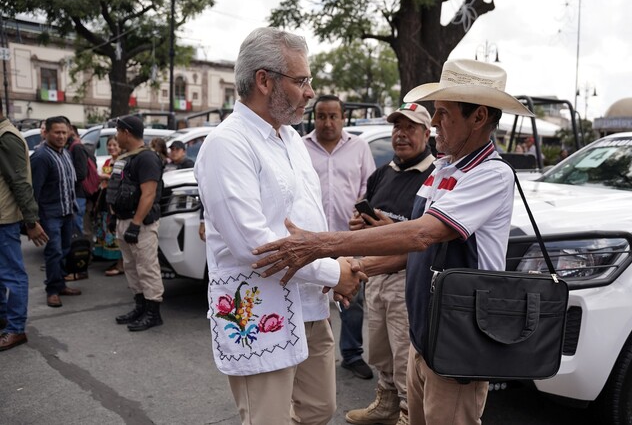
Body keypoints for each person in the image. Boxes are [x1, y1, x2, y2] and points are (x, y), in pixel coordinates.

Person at [251, 59, 535, 425]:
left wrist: (321, 246)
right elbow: (421, 249)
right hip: (427, 333)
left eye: (443, 114)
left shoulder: (490, 174)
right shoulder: (446, 170)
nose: (433, 123)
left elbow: (421, 234)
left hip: (458, 340)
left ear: (479, 117)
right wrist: (355, 269)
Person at [194, 27, 366, 425]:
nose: (310, 91)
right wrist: (333, 271)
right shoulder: (228, 144)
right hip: (259, 306)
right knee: (267, 418)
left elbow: (310, 221)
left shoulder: (289, 138)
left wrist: (332, 273)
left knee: (319, 409)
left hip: (308, 302)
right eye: (301, 80)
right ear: (264, 80)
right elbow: (255, 246)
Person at [345, 102, 435, 425]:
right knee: (380, 349)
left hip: (406, 279)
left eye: (410, 128)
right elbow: (372, 226)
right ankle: (386, 403)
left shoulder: (435, 177)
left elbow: (425, 237)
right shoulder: (382, 174)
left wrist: (387, 231)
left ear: (427, 133)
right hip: (375, 275)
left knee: (403, 353)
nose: (401, 135)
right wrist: (362, 227)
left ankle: (410, 415)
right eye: (397, 127)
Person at [303, 94, 376, 380]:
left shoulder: (359, 147)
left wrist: (363, 214)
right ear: (315, 118)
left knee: (351, 296)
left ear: (343, 118)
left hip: (350, 238)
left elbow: (368, 188)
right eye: (322, 116)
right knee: (312, 292)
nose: (327, 122)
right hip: (312, 239)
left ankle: (351, 354)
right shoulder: (300, 147)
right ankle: (312, 355)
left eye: (333, 116)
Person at [106, 115, 164, 331]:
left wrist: (136, 224)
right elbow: (118, 189)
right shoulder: (127, 157)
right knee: (131, 266)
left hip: (140, 223)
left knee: (147, 267)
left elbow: (148, 194)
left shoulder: (147, 158)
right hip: (124, 219)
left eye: (118, 131)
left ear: (126, 132)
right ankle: (140, 306)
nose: (116, 135)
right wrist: (114, 216)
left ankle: (153, 312)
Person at [0, 108, 49, 351]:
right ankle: (4, 320)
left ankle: (16, 329)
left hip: (4, 220)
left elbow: (20, 182)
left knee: (13, 275)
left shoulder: (6, 137)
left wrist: (31, 221)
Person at [31, 116, 83, 308]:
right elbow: (34, 190)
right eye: (57, 132)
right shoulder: (41, 157)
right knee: (54, 252)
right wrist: (32, 221)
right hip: (50, 214)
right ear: (46, 133)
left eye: (64, 132)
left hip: (68, 212)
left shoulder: (65, 153)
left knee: (65, 250)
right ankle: (52, 290)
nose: (61, 136)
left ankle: (61, 284)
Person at [93, 136, 123, 276]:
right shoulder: (107, 161)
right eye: (109, 145)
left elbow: (120, 180)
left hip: (115, 200)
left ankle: (120, 263)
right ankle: (111, 258)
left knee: (114, 230)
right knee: (105, 227)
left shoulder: (122, 162)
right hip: (104, 198)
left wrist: (106, 178)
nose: (111, 147)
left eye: (114, 145)